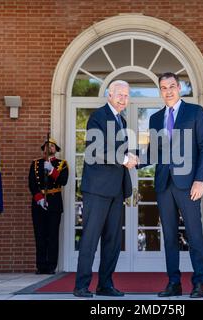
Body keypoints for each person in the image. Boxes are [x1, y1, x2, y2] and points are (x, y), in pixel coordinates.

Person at [139, 72, 203, 298]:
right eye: (163, 87)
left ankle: (198, 283)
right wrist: (130, 159)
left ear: (179, 88)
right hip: (164, 184)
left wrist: (200, 180)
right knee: (169, 236)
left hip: (189, 183)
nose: (168, 91)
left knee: (194, 234)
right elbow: (152, 153)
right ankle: (174, 283)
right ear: (160, 91)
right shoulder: (154, 118)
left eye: (171, 86)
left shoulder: (195, 112)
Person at [73, 80, 137, 298]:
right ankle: (81, 286)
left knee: (112, 241)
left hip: (116, 189)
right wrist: (125, 157)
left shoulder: (122, 120)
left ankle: (105, 285)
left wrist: (132, 157)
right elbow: (95, 150)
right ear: (109, 95)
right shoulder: (98, 117)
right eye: (119, 94)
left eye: (127, 96)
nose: (123, 99)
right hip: (98, 189)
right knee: (90, 239)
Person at [28, 138, 68, 274]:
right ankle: (41, 266)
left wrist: (52, 171)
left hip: (54, 202)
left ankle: (51, 266)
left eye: (52, 146)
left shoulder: (62, 164)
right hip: (38, 203)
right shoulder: (35, 164)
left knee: (52, 236)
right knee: (39, 235)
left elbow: (64, 180)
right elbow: (32, 184)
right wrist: (39, 198)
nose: (49, 148)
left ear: (56, 149)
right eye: (46, 146)